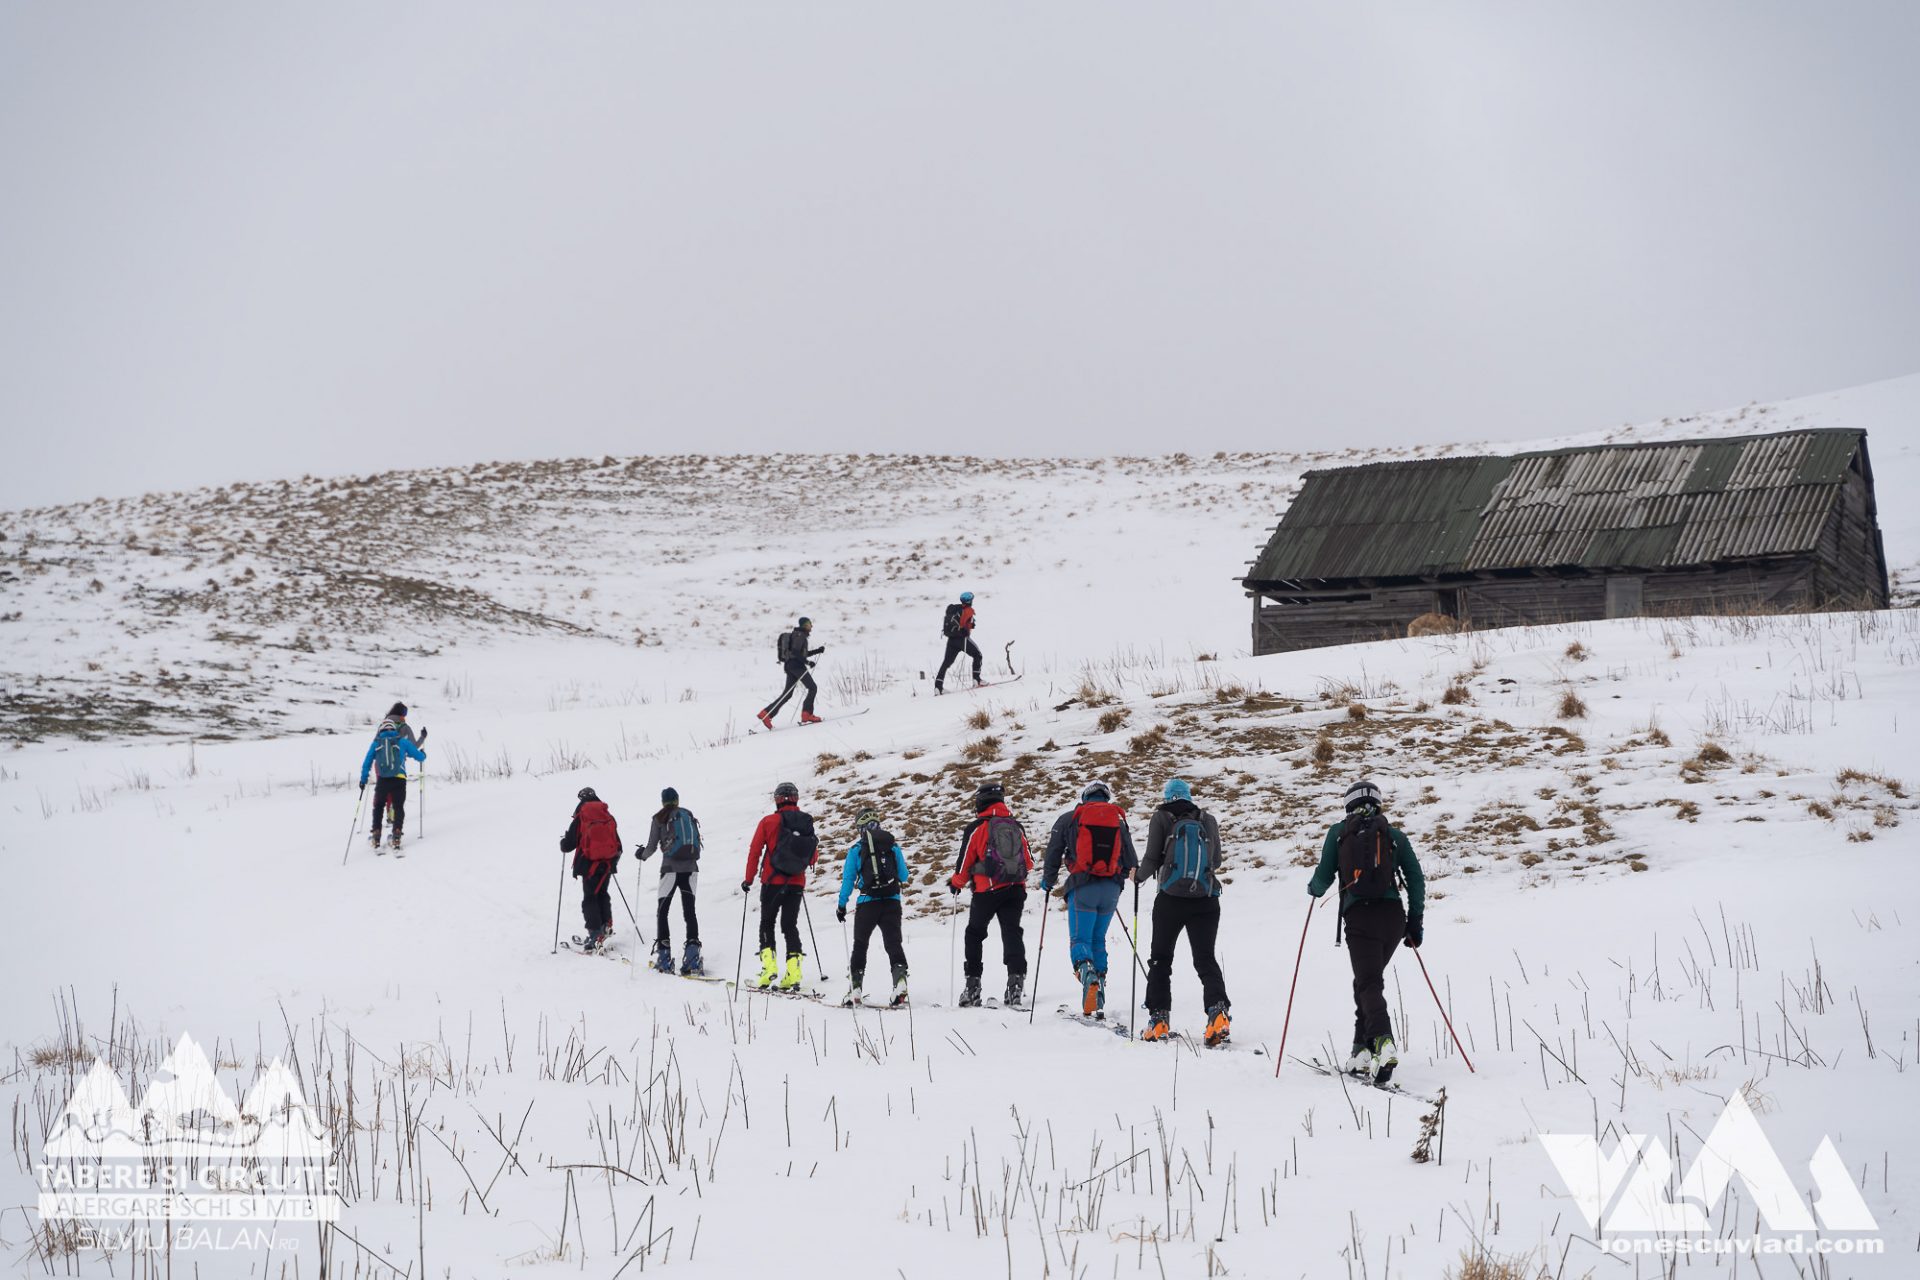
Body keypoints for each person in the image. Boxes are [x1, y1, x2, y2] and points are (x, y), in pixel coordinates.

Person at [1307, 778, 1426, 1083]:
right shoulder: (1394, 835)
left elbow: (1323, 876)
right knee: (1366, 982)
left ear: (1348, 803)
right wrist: (1414, 923)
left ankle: (1383, 1042)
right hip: (1392, 919)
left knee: (1368, 983)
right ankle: (1360, 1050)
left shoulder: (1338, 833)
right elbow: (1415, 879)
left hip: (1360, 918)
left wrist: (1313, 890)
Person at [1135, 779, 1231, 1045]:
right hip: (1206, 899)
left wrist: (1137, 877)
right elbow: (1216, 860)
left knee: (1161, 959)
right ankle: (1218, 1014)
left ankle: (1158, 1021)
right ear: (1189, 796)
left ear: (1167, 797)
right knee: (1205, 959)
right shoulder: (1207, 819)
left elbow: (1152, 857)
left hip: (1170, 900)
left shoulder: (1161, 817)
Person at [1039, 779, 1137, 1017]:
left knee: (1080, 941)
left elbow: (1053, 852)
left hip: (1083, 887)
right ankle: (1099, 994)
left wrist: (1048, 881)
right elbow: (1131, 859)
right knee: (1098, 940)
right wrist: (1117, 876)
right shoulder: (1117, 820)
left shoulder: (1070, 818)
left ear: (1084, 797)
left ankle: (1088, 976)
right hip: (1111, 890)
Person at [948, 781, 1031, 1007]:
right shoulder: (1016, 826)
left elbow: (964, 864)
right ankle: (1015, 985)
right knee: (1012, 933)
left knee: (974, 934)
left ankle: (973, 988)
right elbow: (1029, 862)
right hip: (1015, 889)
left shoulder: (976, 827)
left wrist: (956, 883)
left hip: (987, 891)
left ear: (980, 802)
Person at [742, 781, 819, 989]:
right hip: (796, 883)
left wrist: (748, 879)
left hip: (772, 882)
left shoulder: (768, 821)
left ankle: (769, 969)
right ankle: (793, 972)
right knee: (789, 925)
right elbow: (813, 857)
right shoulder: (805, 822)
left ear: (777, 800)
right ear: (796, 798)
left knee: (767, 923)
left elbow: (755, 851)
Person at [836, 808, 910, 1006]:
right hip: (892, 901)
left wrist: (841, 905)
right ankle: (900, 981)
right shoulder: (893, 847)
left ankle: (855, 988)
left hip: (867, 903)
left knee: (860, 945)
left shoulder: (856, 850)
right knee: (893, 943)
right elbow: (904, 876)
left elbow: (848, 880)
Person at [640, 786, 703, 975]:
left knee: (663, 912)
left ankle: (664, 959)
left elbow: (651, 847)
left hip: (669, 870)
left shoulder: (659, 818)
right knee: (689, 912)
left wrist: (641, 855)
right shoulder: (687, 814)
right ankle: (692, 959)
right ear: (677, 800)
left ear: (663, 802)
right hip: (691, 869)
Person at [560, 787, 623, 952]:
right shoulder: (607, 815)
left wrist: (563, 843)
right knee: (602, 893)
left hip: (589, 864)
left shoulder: (582, 817)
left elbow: (568, 845)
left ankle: (595, 933)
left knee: (590, 898)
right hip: (607, 863)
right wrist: (612, 861)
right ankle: (606, 924)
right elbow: (617, 843)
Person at [359, 707, 427, 852]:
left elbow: (367, 763)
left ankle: (376, 835)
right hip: (399, 779)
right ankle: (396, 836)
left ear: (381, 730)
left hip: (383, 780)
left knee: (378, 807)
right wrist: (423, 754)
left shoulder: (376, 743)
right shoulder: (402, 741)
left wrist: (363, 779)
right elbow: (418, 756)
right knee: (398, 807)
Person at [758, 617, 825, 729]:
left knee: (787, 694)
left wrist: (817, 651)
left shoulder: (797, 635)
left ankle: (766, 714)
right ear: (804, 625)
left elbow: (800, 653)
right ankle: (807, 714)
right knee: (812, 687)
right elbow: (795, 652)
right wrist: (807, 662)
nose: (811, 626)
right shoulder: (800, 635)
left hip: (790, 665)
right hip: (796, 666)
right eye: (809, 624)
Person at [934, 591, 982, 693]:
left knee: (946, 663)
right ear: (970, 601)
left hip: (951, 640)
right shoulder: (968, 611)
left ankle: (938, 687)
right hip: (962, 639)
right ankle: (977, 680)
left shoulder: (954, 609)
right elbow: (970, 625)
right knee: (978, 655)